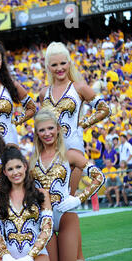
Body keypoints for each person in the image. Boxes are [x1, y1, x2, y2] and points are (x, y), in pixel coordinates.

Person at [30, 109, 105, 261]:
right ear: (37, 133)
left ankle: (78, 255)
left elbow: (99, 177)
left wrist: (78, 198)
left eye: (50, 128)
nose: (47, 133)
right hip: (44, 219)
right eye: (42, 130)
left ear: (57, 128)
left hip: (65, 215)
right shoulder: (32, 159)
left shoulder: (70, 154)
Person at [39, 42, 111, 195]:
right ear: (48, 67)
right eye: (54, 65)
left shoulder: (79, 87)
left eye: (63, 63)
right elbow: (41, 124)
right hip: (48, 151)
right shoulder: (43, 93)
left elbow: (105, 109)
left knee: (67, 199)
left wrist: (83, 124)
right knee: (48, 202)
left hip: (73, 147)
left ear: (69, 63)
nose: (59, 68)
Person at [0, 146, 52, 261]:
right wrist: (5, 256)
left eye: (18, 167)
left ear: (25, 166)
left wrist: (30, 257)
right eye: (10, 169)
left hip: (37, 256)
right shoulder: (0, 197)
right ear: (5, 172)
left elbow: (47, 229)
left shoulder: (41, 193)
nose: (15, 172)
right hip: (9, 256)